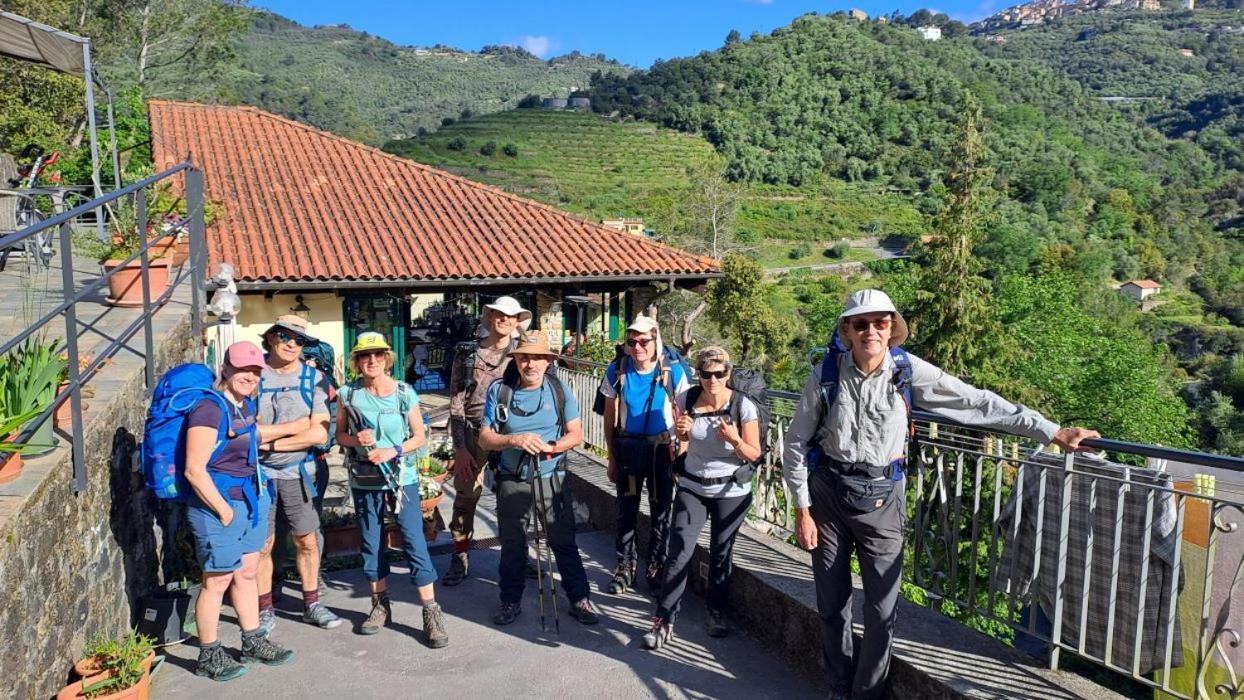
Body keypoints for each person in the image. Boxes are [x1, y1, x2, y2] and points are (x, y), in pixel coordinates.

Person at [782, 289, 1100, 700]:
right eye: (861, 323)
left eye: (880, 323)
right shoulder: (825, 375)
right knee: (831, 605)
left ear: (891, 329)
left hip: (882, 500)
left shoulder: (907, 371)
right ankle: (839, 687)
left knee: (881, 612)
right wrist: (802, 509)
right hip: (827, 497)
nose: (870, 332)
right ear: (846, 329)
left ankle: (867, 694)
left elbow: (975, 401)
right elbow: (794, 443)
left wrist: (1049, 430)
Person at [183, 341, 297, 681]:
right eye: (243, 369)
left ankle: (252, 640)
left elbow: (253, 439)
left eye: (256, 371)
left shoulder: (244, 405)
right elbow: (194, 469)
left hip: (250, 499)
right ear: (227, 369)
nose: (250, 376)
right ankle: (209, 654)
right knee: (216, 580)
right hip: (218, 506)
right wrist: (223, 510)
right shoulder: (209, 408)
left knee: (247, 572)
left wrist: (298, 427)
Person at [478, 331, 601, 627]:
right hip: (512, 477)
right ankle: (510, 600)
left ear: (548, 361)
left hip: (551, 476)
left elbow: (576, 435)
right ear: (516, 360)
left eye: (536, 357)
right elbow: (484, 438)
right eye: (523, 357)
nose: (529, 363)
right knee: (512, 542)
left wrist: (551, 448)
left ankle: (579, 599)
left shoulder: (559, 390)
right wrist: (515, 440)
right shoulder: (500, 391)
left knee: (563, 540)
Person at [641, 346, 761, 650]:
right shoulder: (687, 399)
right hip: (693, 487)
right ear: (699, 375)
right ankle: (664, 618)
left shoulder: (742, 406)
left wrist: (734, 439)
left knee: (721, 553)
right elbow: (679, 442)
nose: (713, 380)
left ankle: (715, 612)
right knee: (679, 550)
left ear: (728, 374)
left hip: (731, 491)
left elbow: (754, 455)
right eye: (706, 374)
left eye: (719, 374)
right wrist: (681, 434)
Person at [335, 332, 449, 645]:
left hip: (401, 479)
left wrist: (392, 450)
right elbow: (340, 435)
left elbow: (419, 437)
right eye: (364, 356)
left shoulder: (403, 393)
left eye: (377, 355)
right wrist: (357, 440)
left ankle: (430, 610)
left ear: (387, 358)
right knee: (371, 543)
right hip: (365, 479)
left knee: (414, 540)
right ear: (357, 361)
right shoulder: (348, 394)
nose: (371, 361)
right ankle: (380, 605)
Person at [255, 315, 342, 633]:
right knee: (263, 545)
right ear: (271, 338)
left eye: (300, 340)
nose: (292, 344)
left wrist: (269, 441)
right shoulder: (253, 374)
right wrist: (295, 429)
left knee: (306, 540)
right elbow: (245, 430)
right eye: (285, 337)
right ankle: (265, 609)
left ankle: (312, 604)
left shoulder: (313, 378)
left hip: (298, 473)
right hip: (259, 475)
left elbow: (318, 434)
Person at [442, 296, 530, 586]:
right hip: (473, 431)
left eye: (511, 316)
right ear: (490, 317)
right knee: (466, 495)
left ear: (518, 321)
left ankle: (517, 554)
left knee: (514, 498)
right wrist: (459, 448)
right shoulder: (468, 355)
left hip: (508, 432)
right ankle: (460, 555)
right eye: (500, 314)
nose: (505, 320)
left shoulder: (523, 355)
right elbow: (455, 402)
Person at [599, 316, 690, 595]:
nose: (637, 347)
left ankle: (655, 568)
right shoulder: (618, 369)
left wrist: (682, 456)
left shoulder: (672, 371)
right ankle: (625, 567)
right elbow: (610, 415)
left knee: (661, 511)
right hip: (627, 450)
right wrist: (612, 456)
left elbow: (684, 413)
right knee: (626, 510)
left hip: (662, 451)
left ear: (655, 340)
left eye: (643, 341)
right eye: (632, 341)